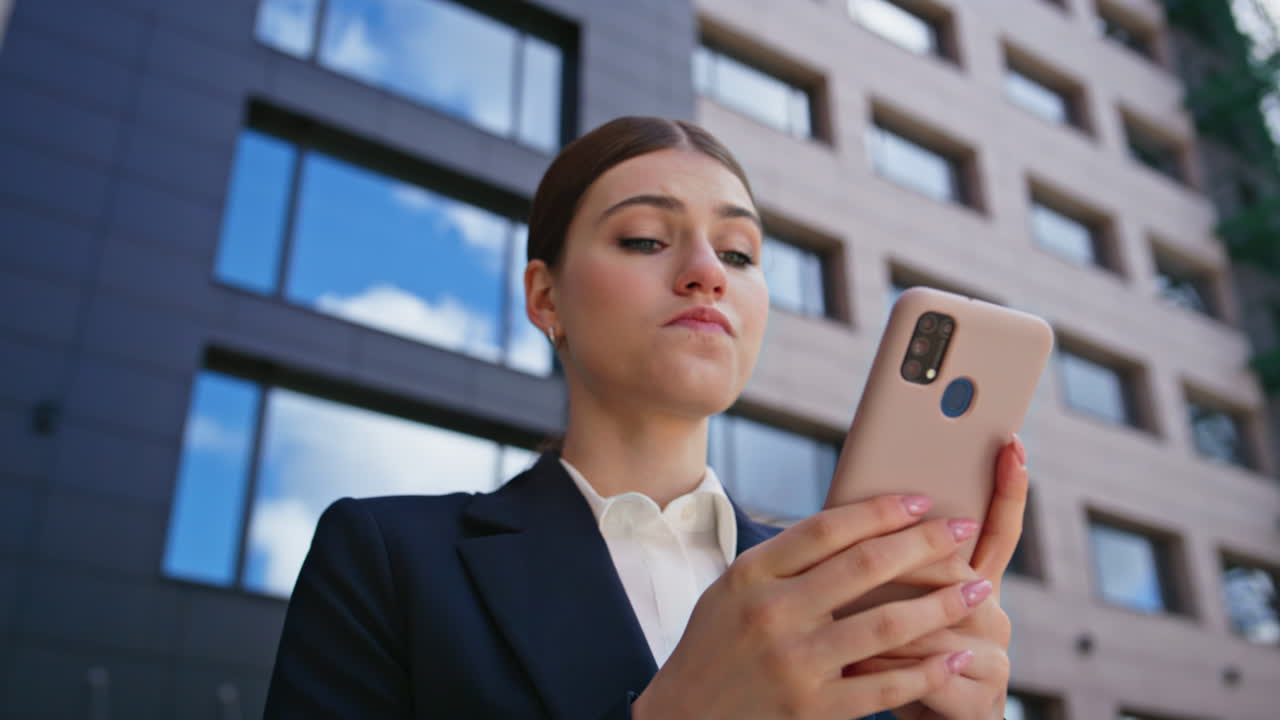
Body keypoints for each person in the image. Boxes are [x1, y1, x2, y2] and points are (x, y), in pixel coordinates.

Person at [263, 116, 1025, 719]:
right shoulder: (389, 560)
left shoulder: (844, 601)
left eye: (738, 254)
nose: (705, 274)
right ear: (545, 297)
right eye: (645, 239)